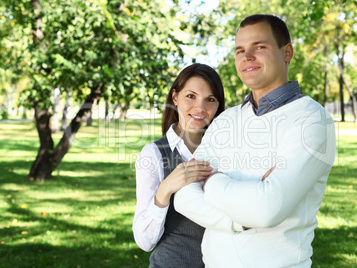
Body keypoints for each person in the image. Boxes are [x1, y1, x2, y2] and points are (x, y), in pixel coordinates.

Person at [174, 14, 336, 267]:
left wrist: (212, 181)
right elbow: (183, 196)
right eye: (240, 50)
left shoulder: (312, 120)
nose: (247, 57)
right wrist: (241, 220)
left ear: (287, 53)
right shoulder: (227, 119)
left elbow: (266, 209)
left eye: (259, 47)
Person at [132, 63, 228, 268]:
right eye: (191, 96)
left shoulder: (227, 150)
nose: (200, 108)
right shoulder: (154, 154)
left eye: (210, 100)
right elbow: (144, 242)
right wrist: (165, 190)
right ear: (175, 98)